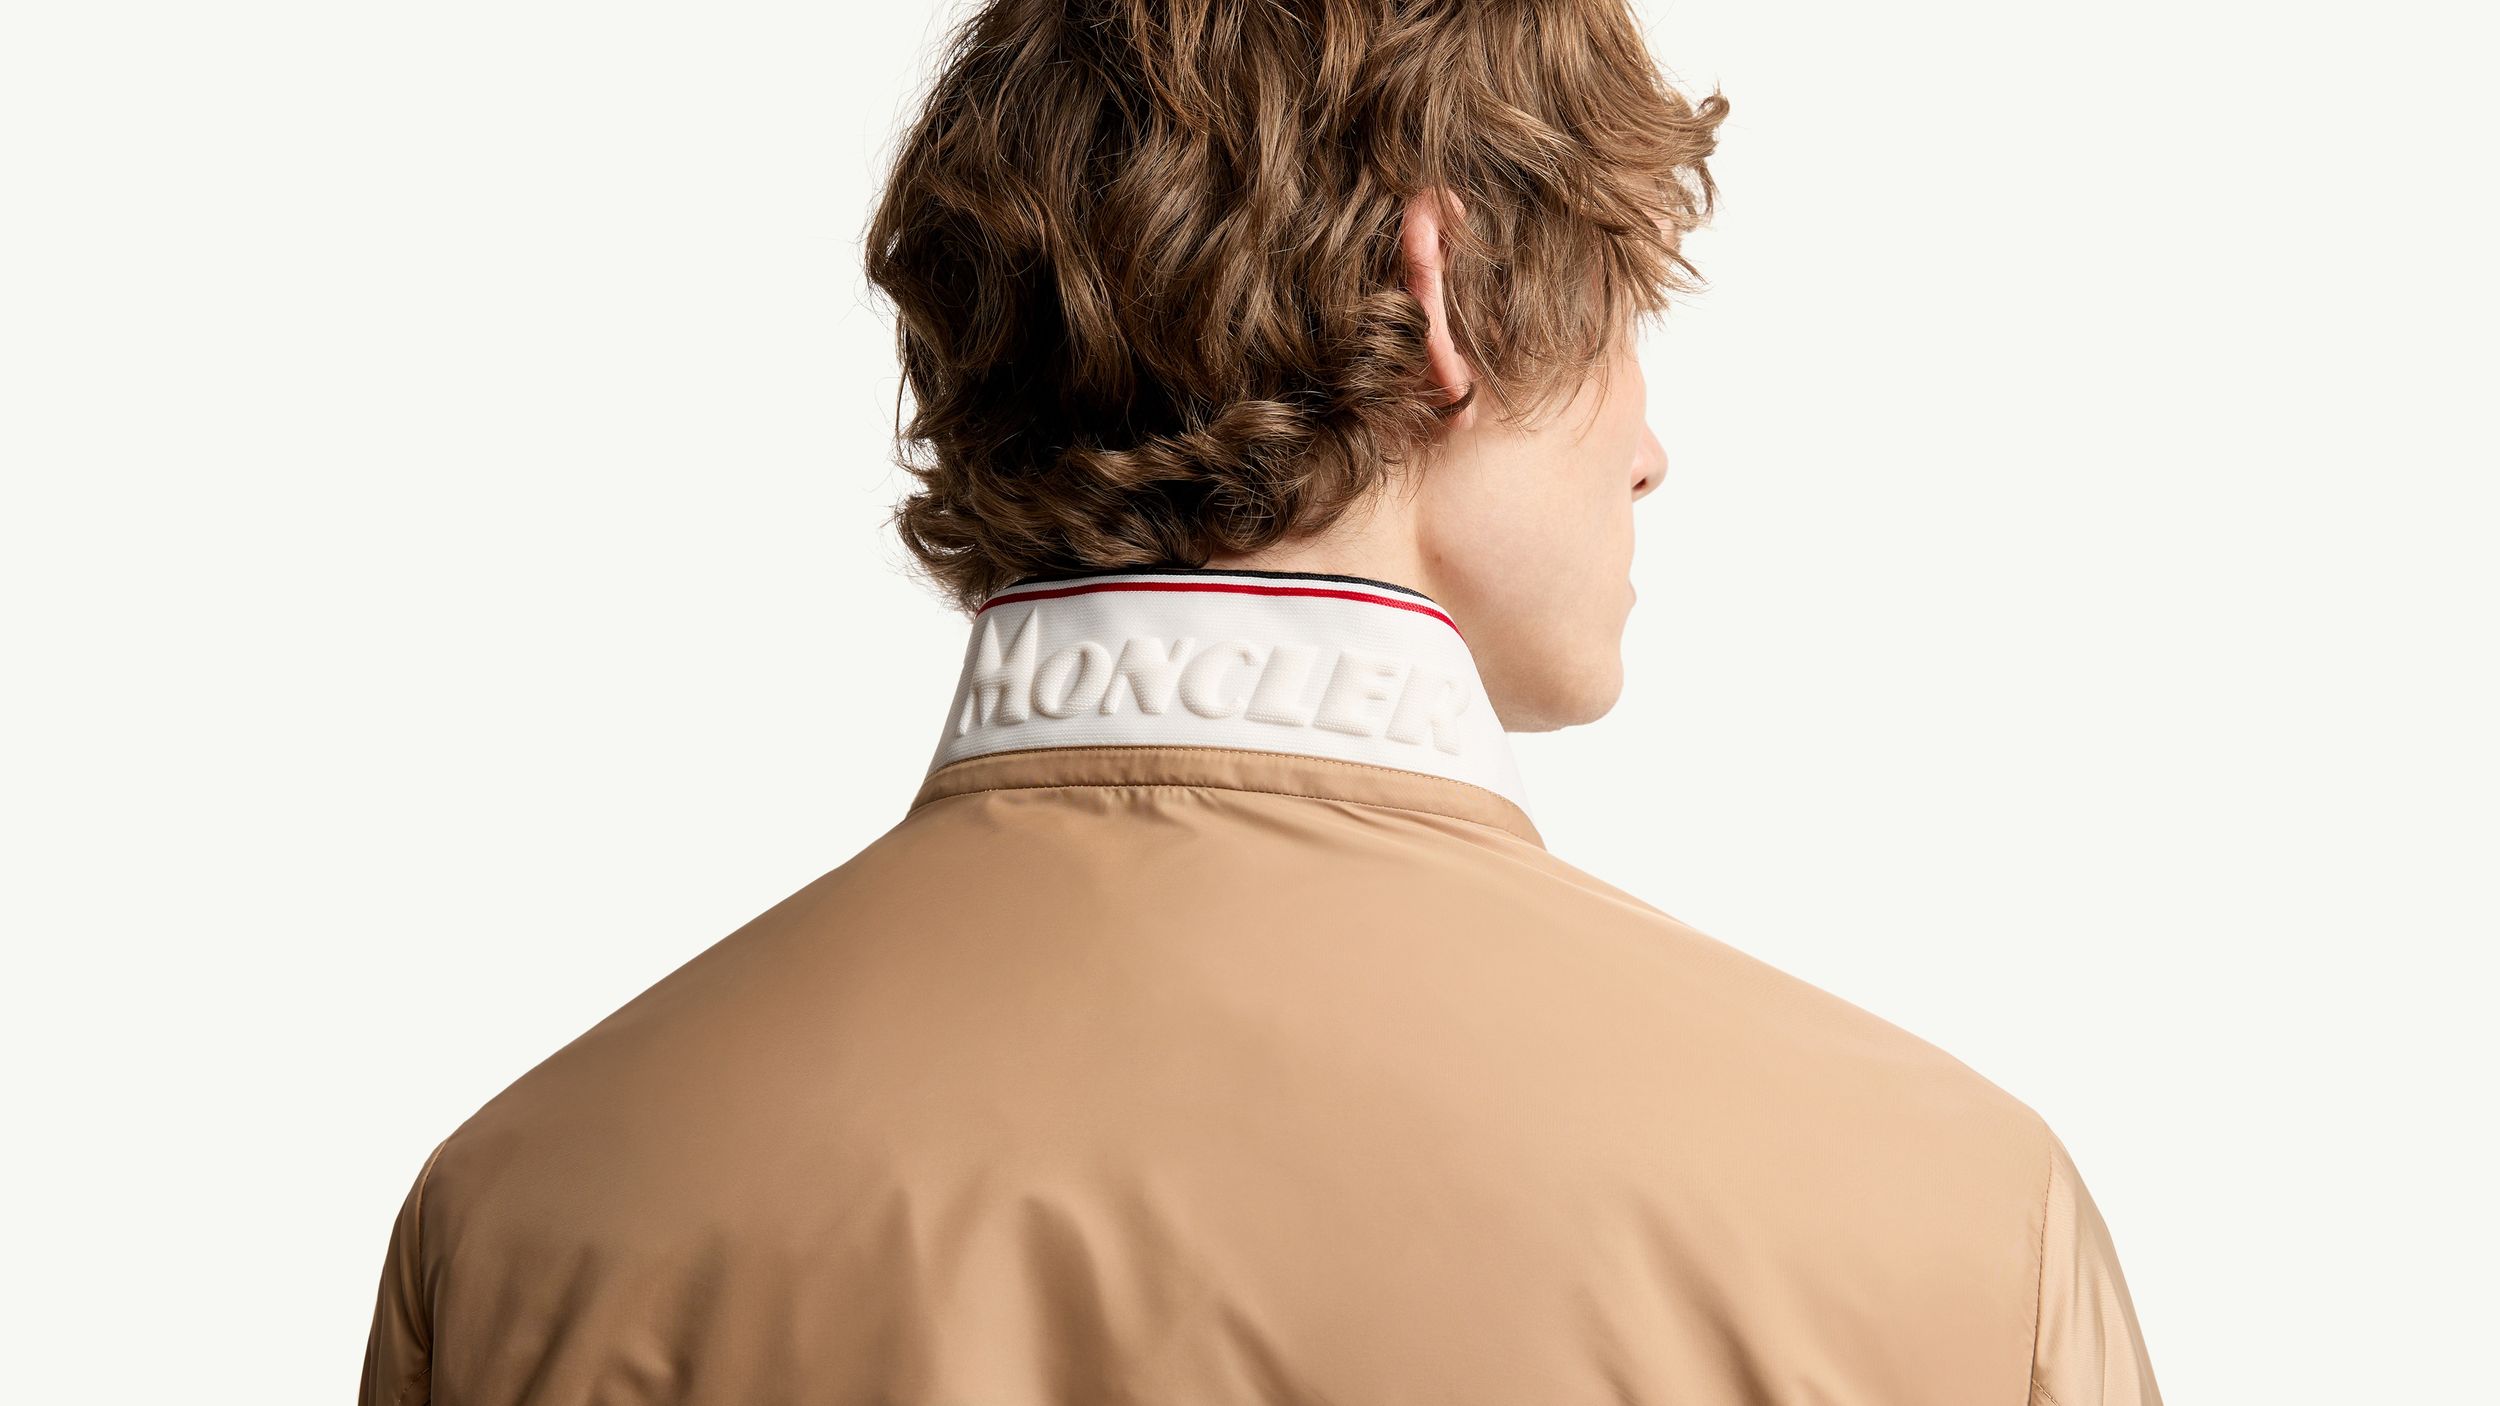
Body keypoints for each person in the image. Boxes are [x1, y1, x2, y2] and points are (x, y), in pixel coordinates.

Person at [359, 0, 2162, 1401]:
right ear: (1446, 291)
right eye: (1628, 312)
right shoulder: (1942, 1225)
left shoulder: (527, 1213)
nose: (1651, 447)